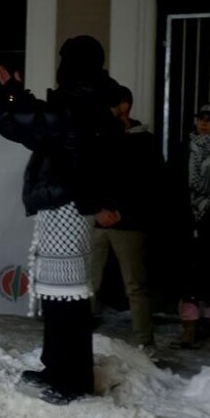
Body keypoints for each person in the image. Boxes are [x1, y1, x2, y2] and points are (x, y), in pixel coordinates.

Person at [0, 34, 123, 404]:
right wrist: (14, 93)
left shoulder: (79, 103)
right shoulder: (92, 100)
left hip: (65, 204)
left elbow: (24, 124)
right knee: (61, 294)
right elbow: (39, 121)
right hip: (70, 203)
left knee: (64, 298)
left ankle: (68, 381)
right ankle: (59, 369)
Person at [88, 85, 163, 347]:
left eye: (111, 104)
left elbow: (150, 184)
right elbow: (88, 177)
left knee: (135, 285)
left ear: (125, 106)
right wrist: (97, 209)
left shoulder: (145, 141)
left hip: (130, 222)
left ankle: (145, 343)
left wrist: (121, 212)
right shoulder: (96, 137)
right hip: (97, 219)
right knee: (88, 282)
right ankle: (78, 339)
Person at [170, 104, 210, 351]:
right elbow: (173, 182)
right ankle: (189, 329)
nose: (205, 123)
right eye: (201, 118)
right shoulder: (184, 148)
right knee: (188, 276)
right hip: (187, 220)